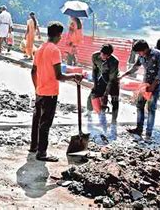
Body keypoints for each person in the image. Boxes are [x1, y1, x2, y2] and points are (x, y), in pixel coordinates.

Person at [30, 21, 83, 162]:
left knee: (37, 120)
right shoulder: (54, 50)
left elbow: (33, 71)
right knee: (45, 123)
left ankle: (33, 146)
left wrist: (37, 88)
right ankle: (42, 153)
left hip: (40, 91)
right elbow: (59, 76)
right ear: (59, 35)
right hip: (50, 93)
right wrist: (74, 76)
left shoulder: (40, 48)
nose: (61, 38)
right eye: (61, 36)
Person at [119, 40, 160, 140]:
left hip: (155, 86)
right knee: (139, 105)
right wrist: (124, 74)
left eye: (139, 52)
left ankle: (148, 134)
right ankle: (139, 130)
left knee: (151, 109)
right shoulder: (142, 56)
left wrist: (153, 86)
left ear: (145, 49)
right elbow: (135, 67)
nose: (139, 54)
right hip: (144, 85)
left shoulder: (158, 55)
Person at [86, 44, 120, 140]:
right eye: (101, 53)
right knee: (93, 94)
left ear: (109, 56)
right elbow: (95, 70)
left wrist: (105, 94)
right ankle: (88, 111)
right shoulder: (95, 56)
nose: (102, 56)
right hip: (102, 78)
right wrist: (95, 84)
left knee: (115, 101)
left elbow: (111, 79)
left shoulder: (114, 61)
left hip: (113, 82)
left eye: (104, 55)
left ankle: (113, 123)